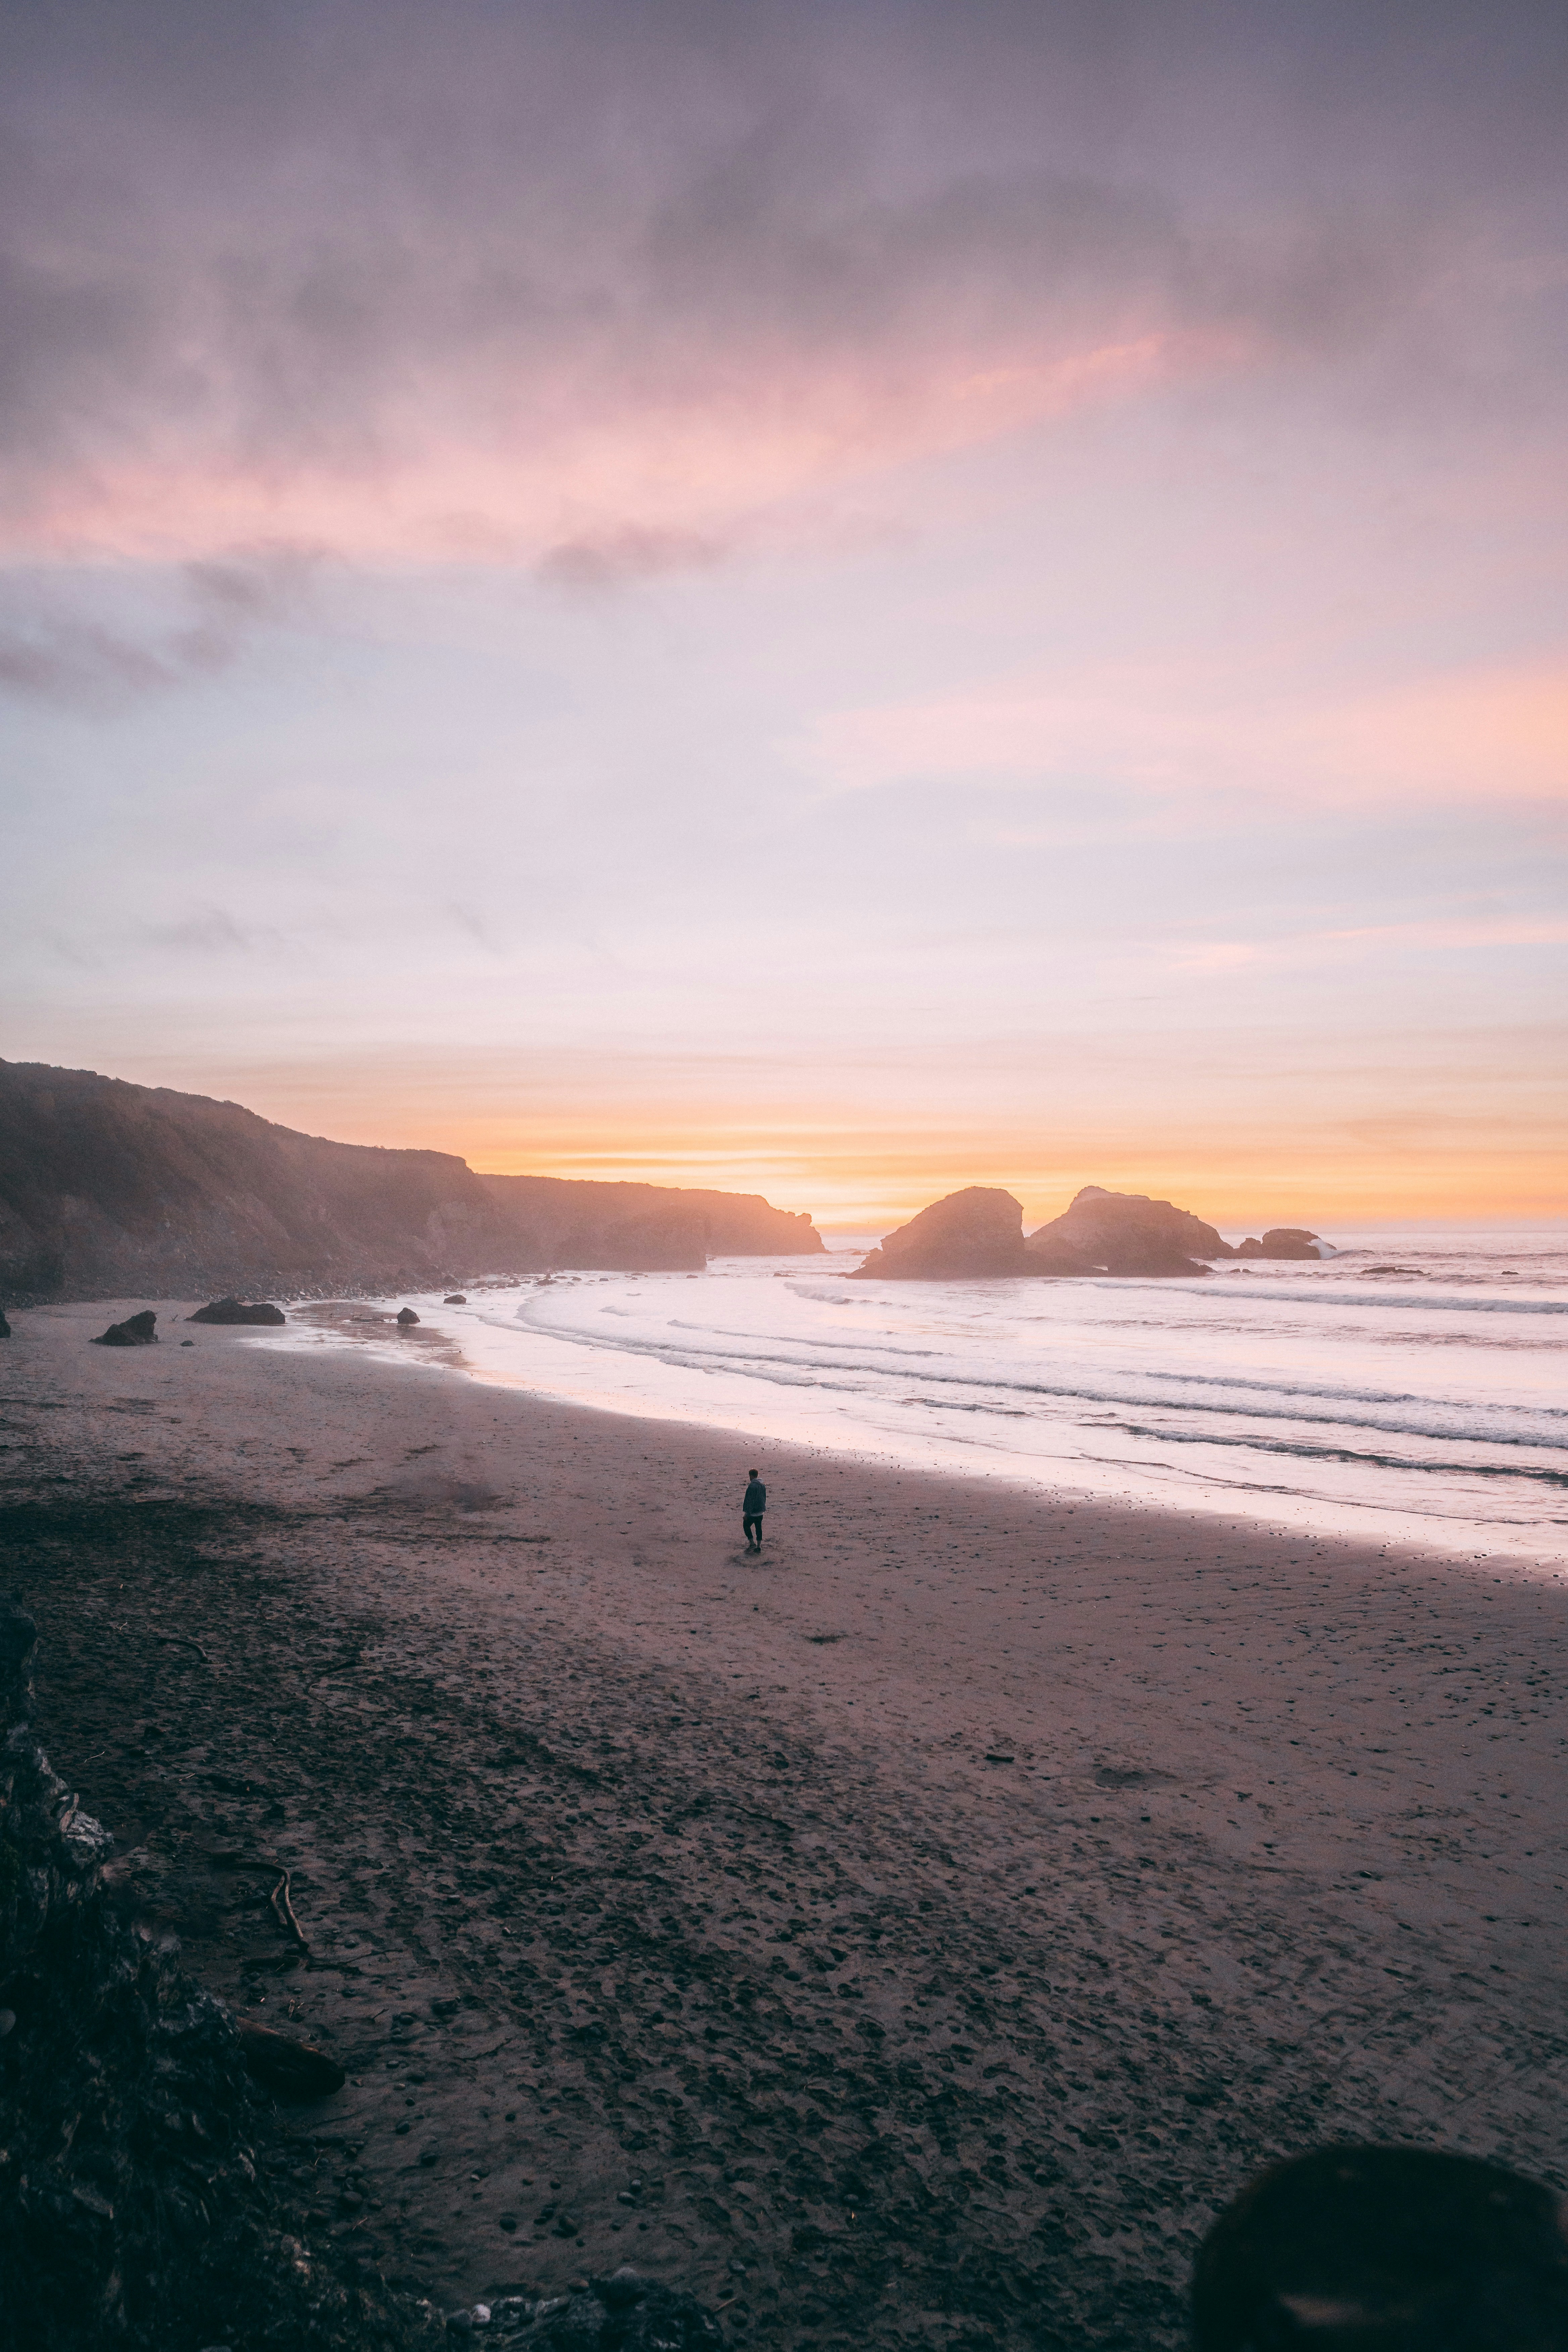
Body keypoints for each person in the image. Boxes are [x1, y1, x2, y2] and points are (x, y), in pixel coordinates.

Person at [742, 1469, 766, 1553]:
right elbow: (764, 1498)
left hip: (753, 1513)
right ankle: (759, 1546)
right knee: (759, 1528)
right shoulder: (762, 1485)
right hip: (761, 1511)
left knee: (746, 1526)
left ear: (751, 1476)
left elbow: (750, 1502)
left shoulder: (752, 1487)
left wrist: (747, 1514)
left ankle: (752, 1544)